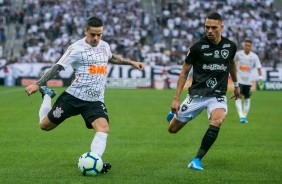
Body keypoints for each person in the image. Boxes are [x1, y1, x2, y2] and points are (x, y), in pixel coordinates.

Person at [25, 16, 144, 174]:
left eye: (99, 34)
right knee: (45, 126)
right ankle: (47, 95)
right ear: (85, 31)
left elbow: (111, 57)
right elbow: (57, 67)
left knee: (103, 128)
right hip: (73, 98)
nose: (96, 38)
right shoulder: (76, 48)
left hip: (94, 101)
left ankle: (95, 161)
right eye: (93, 34)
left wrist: (131, 63)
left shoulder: (104, 46)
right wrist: (38, 84)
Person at [166, 12, 239, 170]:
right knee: (172, 129)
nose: (210, 30)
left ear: (222, 27)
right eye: (207, 27)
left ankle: (197, 159)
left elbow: (231, 64)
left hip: (217, 95)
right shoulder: (197, 48)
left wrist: (237, 85)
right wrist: (176, 98)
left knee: (218, 120)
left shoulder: (230, 46)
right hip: (197, 95)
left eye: (214, 27)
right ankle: (173, 116)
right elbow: (184, 73)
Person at [234, 40, 262, 123]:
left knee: (247, 98)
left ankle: (244, 117)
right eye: (246, 45)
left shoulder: (254, 56)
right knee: (238, 97)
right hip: (239, 80)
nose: (247, 47)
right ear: (244, 46)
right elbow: (232, 63)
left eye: (249, 46)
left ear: (251, 47)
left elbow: (259, 67)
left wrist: (260, 77)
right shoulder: (238, 54)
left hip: (248, 81)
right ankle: (241, 116)